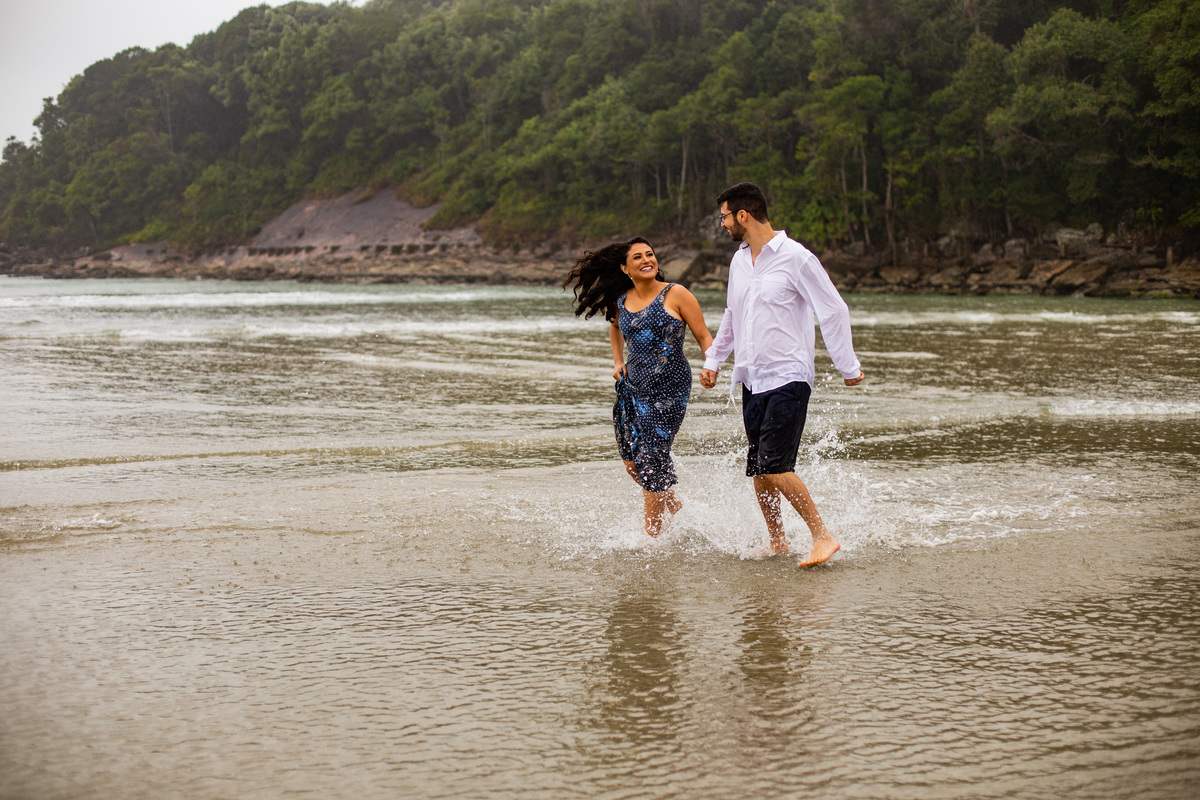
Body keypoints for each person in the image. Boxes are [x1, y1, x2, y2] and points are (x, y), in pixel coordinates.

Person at [699, 182, 865, 567]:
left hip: (789, 375)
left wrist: (847, 365)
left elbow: (833, 310)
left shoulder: (796, 258)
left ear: (743, 215)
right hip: (752, 377)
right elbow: (731, 315)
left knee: (775, 464)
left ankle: (823, 537)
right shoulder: (739, 261)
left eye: (724, 216)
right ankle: (777, 542)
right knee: (759, 467)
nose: (722, 225)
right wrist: (714, 361)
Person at [564, 237, 713, 538]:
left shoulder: (676, 294)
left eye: (650, 254)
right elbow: (615, 326)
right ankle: (676, 507)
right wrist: (618, 360)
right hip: (632, 387)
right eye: (638, 257)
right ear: (625, 267)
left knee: (650, 458)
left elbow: (704, 337)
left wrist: (711, 365)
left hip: (669, 388)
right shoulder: (622, 300)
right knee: (633, 463)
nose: (647, 260)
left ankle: (651, 539)